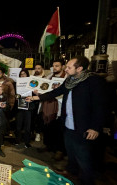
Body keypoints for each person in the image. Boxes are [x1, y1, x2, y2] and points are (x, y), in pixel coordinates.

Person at [26, 56, 107, 185]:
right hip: (68, 124)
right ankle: (72, 172)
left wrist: (95, 127)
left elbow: (100, 107)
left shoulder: (93, 82)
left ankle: (87, 181)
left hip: (84, 127)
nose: (66, 69)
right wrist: (36, 98)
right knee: (71, 152)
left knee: (84, 157)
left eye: (69, 67)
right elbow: (56, 91)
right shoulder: (70, 80)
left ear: (79, 68)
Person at [39, 59, 67, 161]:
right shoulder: (49, 77)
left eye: (57, 66)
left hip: (59, 107)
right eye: (53, 66)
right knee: (48, 126)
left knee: (59, 129)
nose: (55, 68)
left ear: (62, 67)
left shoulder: (66, 78)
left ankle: (59, 150)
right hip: (48, 105)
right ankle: (48, 145)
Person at [15, 69, 35, 148]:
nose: (22, 75)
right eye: (21, 74)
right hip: (20, 106)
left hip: (28, 107)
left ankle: (27, 142)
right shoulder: (17, 83)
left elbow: (34, 94)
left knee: (28, 126)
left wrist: (32, 96)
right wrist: (16, 97)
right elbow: (15, 94)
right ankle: (17, 140)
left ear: (27, 75)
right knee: (18, 125)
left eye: (24, 74)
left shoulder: (31, 83)